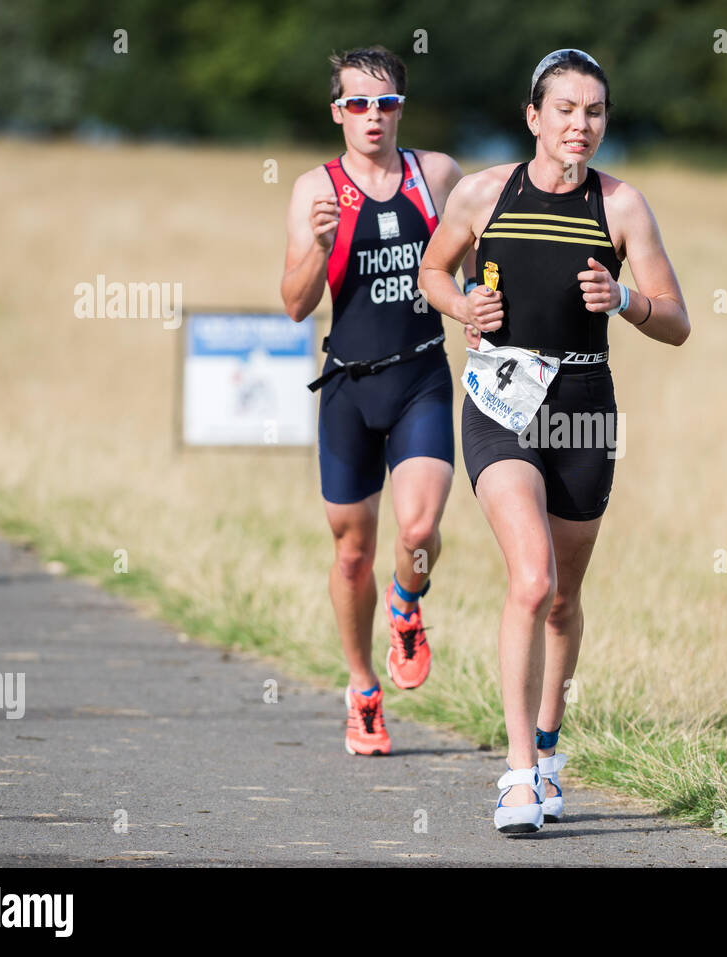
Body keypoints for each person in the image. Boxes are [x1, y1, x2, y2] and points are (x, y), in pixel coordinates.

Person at [418, 49, 690, 832]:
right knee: (530, 580)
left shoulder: (623, 206)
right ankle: (517, 774)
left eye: (595, 111)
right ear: (533, 117)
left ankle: (548, 742)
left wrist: (626, 299)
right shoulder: (482, 193)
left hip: (583, 407)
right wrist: (464, 306)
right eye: (565, 109)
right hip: (501, 400)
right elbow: (435, 274)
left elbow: (677, 320)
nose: (581, 124)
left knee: (565, 596)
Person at [281, 46, 472, 756]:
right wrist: (318, 247)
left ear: (401, 109)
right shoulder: (315, 190)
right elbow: (297, 305)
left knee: (418, 533)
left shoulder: (438, 175)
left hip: (420, 375)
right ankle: (363, 686)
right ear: (337, 112)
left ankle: (407, 605)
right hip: (348, 389)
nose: (372, 116)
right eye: (357, 103)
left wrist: (481, 310)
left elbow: (473, 264)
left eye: (385, 103)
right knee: (353, 551)